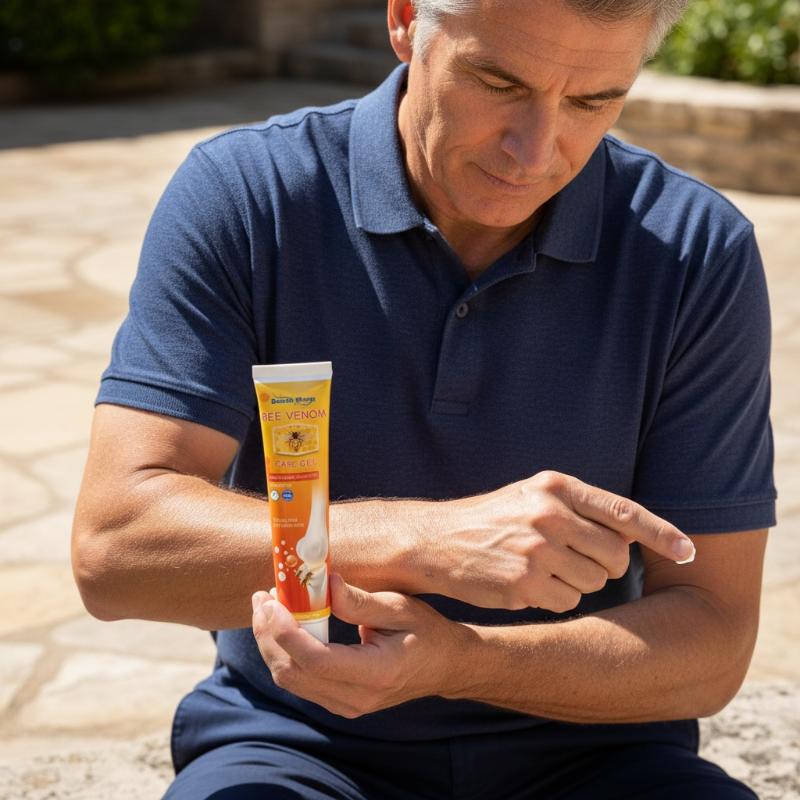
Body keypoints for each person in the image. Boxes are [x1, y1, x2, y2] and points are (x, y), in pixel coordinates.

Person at [72, 0, 775, 797]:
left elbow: (713, 644)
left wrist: (463, 661)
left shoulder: (694, 250)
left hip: (603, 761)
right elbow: (115, 551)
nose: (534, 151)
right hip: (294, 746)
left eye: (592, 101)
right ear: (407, 19)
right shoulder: (247, 195)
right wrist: (425, 541)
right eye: (498, 82)